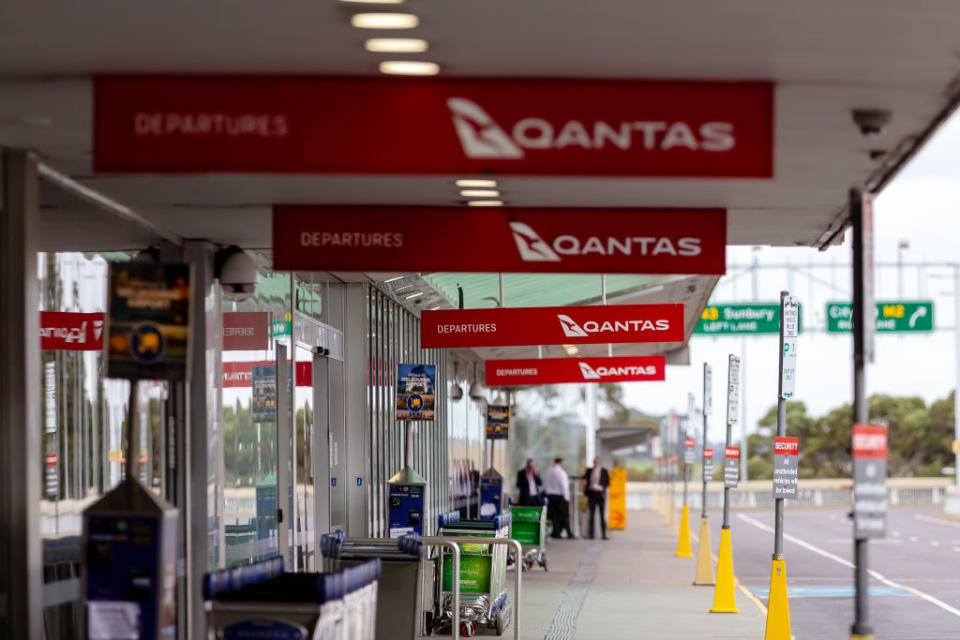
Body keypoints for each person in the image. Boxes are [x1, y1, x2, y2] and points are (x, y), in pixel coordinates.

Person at [544, 457, 574, 539]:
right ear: (561, 462)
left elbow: (546, 483)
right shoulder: (561, 472)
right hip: (560, 496)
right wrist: (567, 497)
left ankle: (556, 533)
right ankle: (569, 533)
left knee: (555, 516)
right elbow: (564, 485)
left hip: (550, 495)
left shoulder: (548, 471)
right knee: (564, 515)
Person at [582, 457, 610, 540]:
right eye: (595, 462)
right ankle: (591, 534)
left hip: (600, 495)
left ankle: (603, 534)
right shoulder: (589, 470)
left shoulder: (604, 471)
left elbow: (607, 483)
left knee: (602, 515)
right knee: (592, 515)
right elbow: (584, 478)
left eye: (597, 462)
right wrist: (584, 481)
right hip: (592, 494)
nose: (596, 463)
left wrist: (601, 487)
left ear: (599, 462)